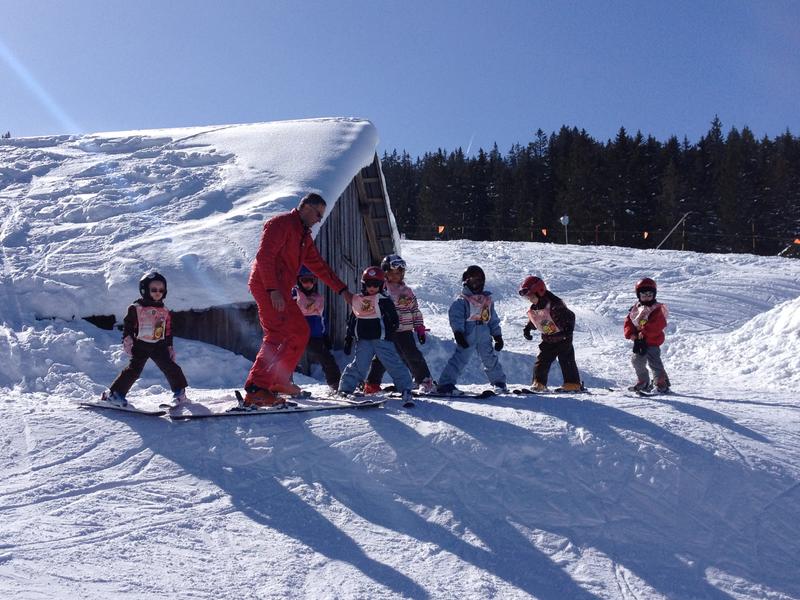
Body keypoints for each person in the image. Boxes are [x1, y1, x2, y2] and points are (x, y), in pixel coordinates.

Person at [245, 193, 352, 407]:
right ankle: (257, 388)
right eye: (318, 214)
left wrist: (344, 292)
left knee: (300, 331)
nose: (319, 219)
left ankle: (278, 381)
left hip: (282, 289)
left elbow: (320, 267)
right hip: (268, 285)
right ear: (305, 207)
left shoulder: (304, 238)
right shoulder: (281, 224)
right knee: (277, 333)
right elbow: (264, 256)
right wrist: (273, 288)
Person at [103, 271, 189, 406]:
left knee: (172, 368)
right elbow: (128, 324)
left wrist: (169, 346)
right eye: (153, 289)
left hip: (158, 345)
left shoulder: (164, 310)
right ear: (144, 290)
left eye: (161, 290)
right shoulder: (136, 308)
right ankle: (114, 395)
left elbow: (167, 330)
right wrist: (127, 339)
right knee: (133, 370)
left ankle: (180, 394)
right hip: (141, 344)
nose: (157, 292)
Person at [338, 266, 413, 404]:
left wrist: (391, 333)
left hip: (382, 339)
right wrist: (348, 338)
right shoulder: (358, 300)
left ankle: (406, 388)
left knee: (393, 363)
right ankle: (346, 388)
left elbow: (394, 319)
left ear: (382, 285)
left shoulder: (384, 300)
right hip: (364, 340)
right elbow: (353, 319)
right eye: (369, 284)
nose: (372, 288)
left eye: (376, 285)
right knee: (359, 365)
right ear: (363, 284)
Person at [363, 254, 435, 394]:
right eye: (392, 273)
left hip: (404, 330)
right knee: (381, 357)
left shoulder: (406, 291)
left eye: (399, 273)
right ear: (385, 273)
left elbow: (415, 309)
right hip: (387, 331)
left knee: (412, 354)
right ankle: (372, 384)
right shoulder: (382, 289)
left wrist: (419, 328)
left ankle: (424, 380)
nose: (396, 276)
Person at [436, 265, 506, 395]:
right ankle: (446, 384)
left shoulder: (487, 300)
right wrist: (458, 333)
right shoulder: (461, 301)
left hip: (484, 334)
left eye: (479, 281)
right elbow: (456, 318)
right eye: (473, 281)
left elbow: (493, 319)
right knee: (460, 358)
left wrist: (497, 335)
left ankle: (499, 382)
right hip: (468, 335)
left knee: (490, 358)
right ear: (466, 282)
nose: (476, 284)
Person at [519, 276, 583, 392]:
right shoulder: (536, 306)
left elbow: (571, 316)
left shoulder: (555, 304)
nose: (529, 299)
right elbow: (537, 319)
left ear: (540, 291)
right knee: (542, 360)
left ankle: (572, 384)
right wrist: (528, 328)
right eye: (527, 298)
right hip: (549, 338)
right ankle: (539, 383)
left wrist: (567, 331)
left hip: (563, 337)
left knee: (566, 359)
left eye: (531, 296)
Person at [293, 266, 341, 391]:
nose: (308, 284)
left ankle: (336, 383)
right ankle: (280, 384)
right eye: (304, 280)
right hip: (297, 333)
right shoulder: (295, 294)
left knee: (326, 358)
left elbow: (322, 318)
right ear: (298, 281)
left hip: (314, 335)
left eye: (311, 280)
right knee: (287, 358)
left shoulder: (318, 298)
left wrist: (324, 335)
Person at [624, 277, 671, 393]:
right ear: (638, 295)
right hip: (639, 342)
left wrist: (643, 332)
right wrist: (631, 333)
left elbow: (657, 324)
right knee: (637, 361)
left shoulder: (657, 309)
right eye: (643, 294)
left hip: (652, 341)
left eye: (650, 294)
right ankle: (643, 381)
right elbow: (628, 322)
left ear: (654, 295)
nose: (647, 296)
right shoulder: (636, 309)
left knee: (654, 362)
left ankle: (660, 383)